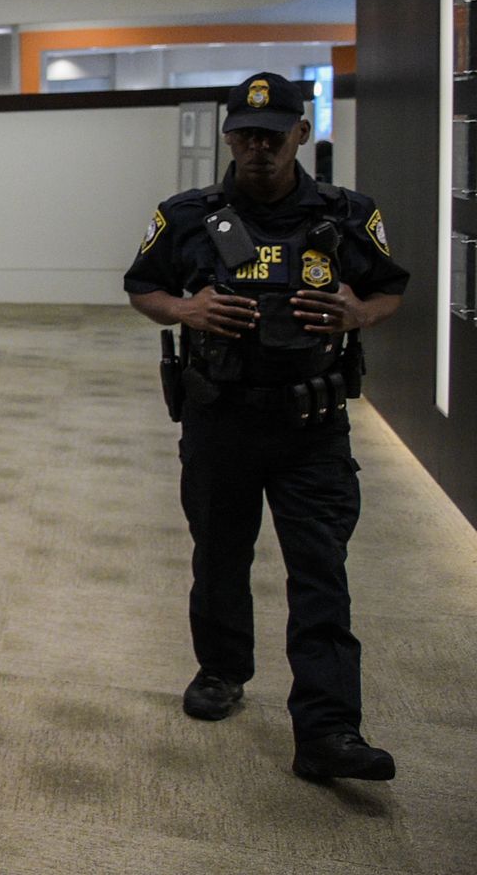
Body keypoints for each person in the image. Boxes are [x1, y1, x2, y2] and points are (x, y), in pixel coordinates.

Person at [124, 71, 408, 781]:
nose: (258, 149)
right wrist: (185, 310)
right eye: (245, 136)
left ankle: (329, 730)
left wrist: (358, 314)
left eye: (272, 136)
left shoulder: (347, 216)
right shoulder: (188, 215)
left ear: (301, 135)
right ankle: (222, 670)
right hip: (220, 418)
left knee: (321, 571)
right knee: (220, 555)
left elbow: (390, 287)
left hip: (312, 424)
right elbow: (142, 286)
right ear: (228, 137)